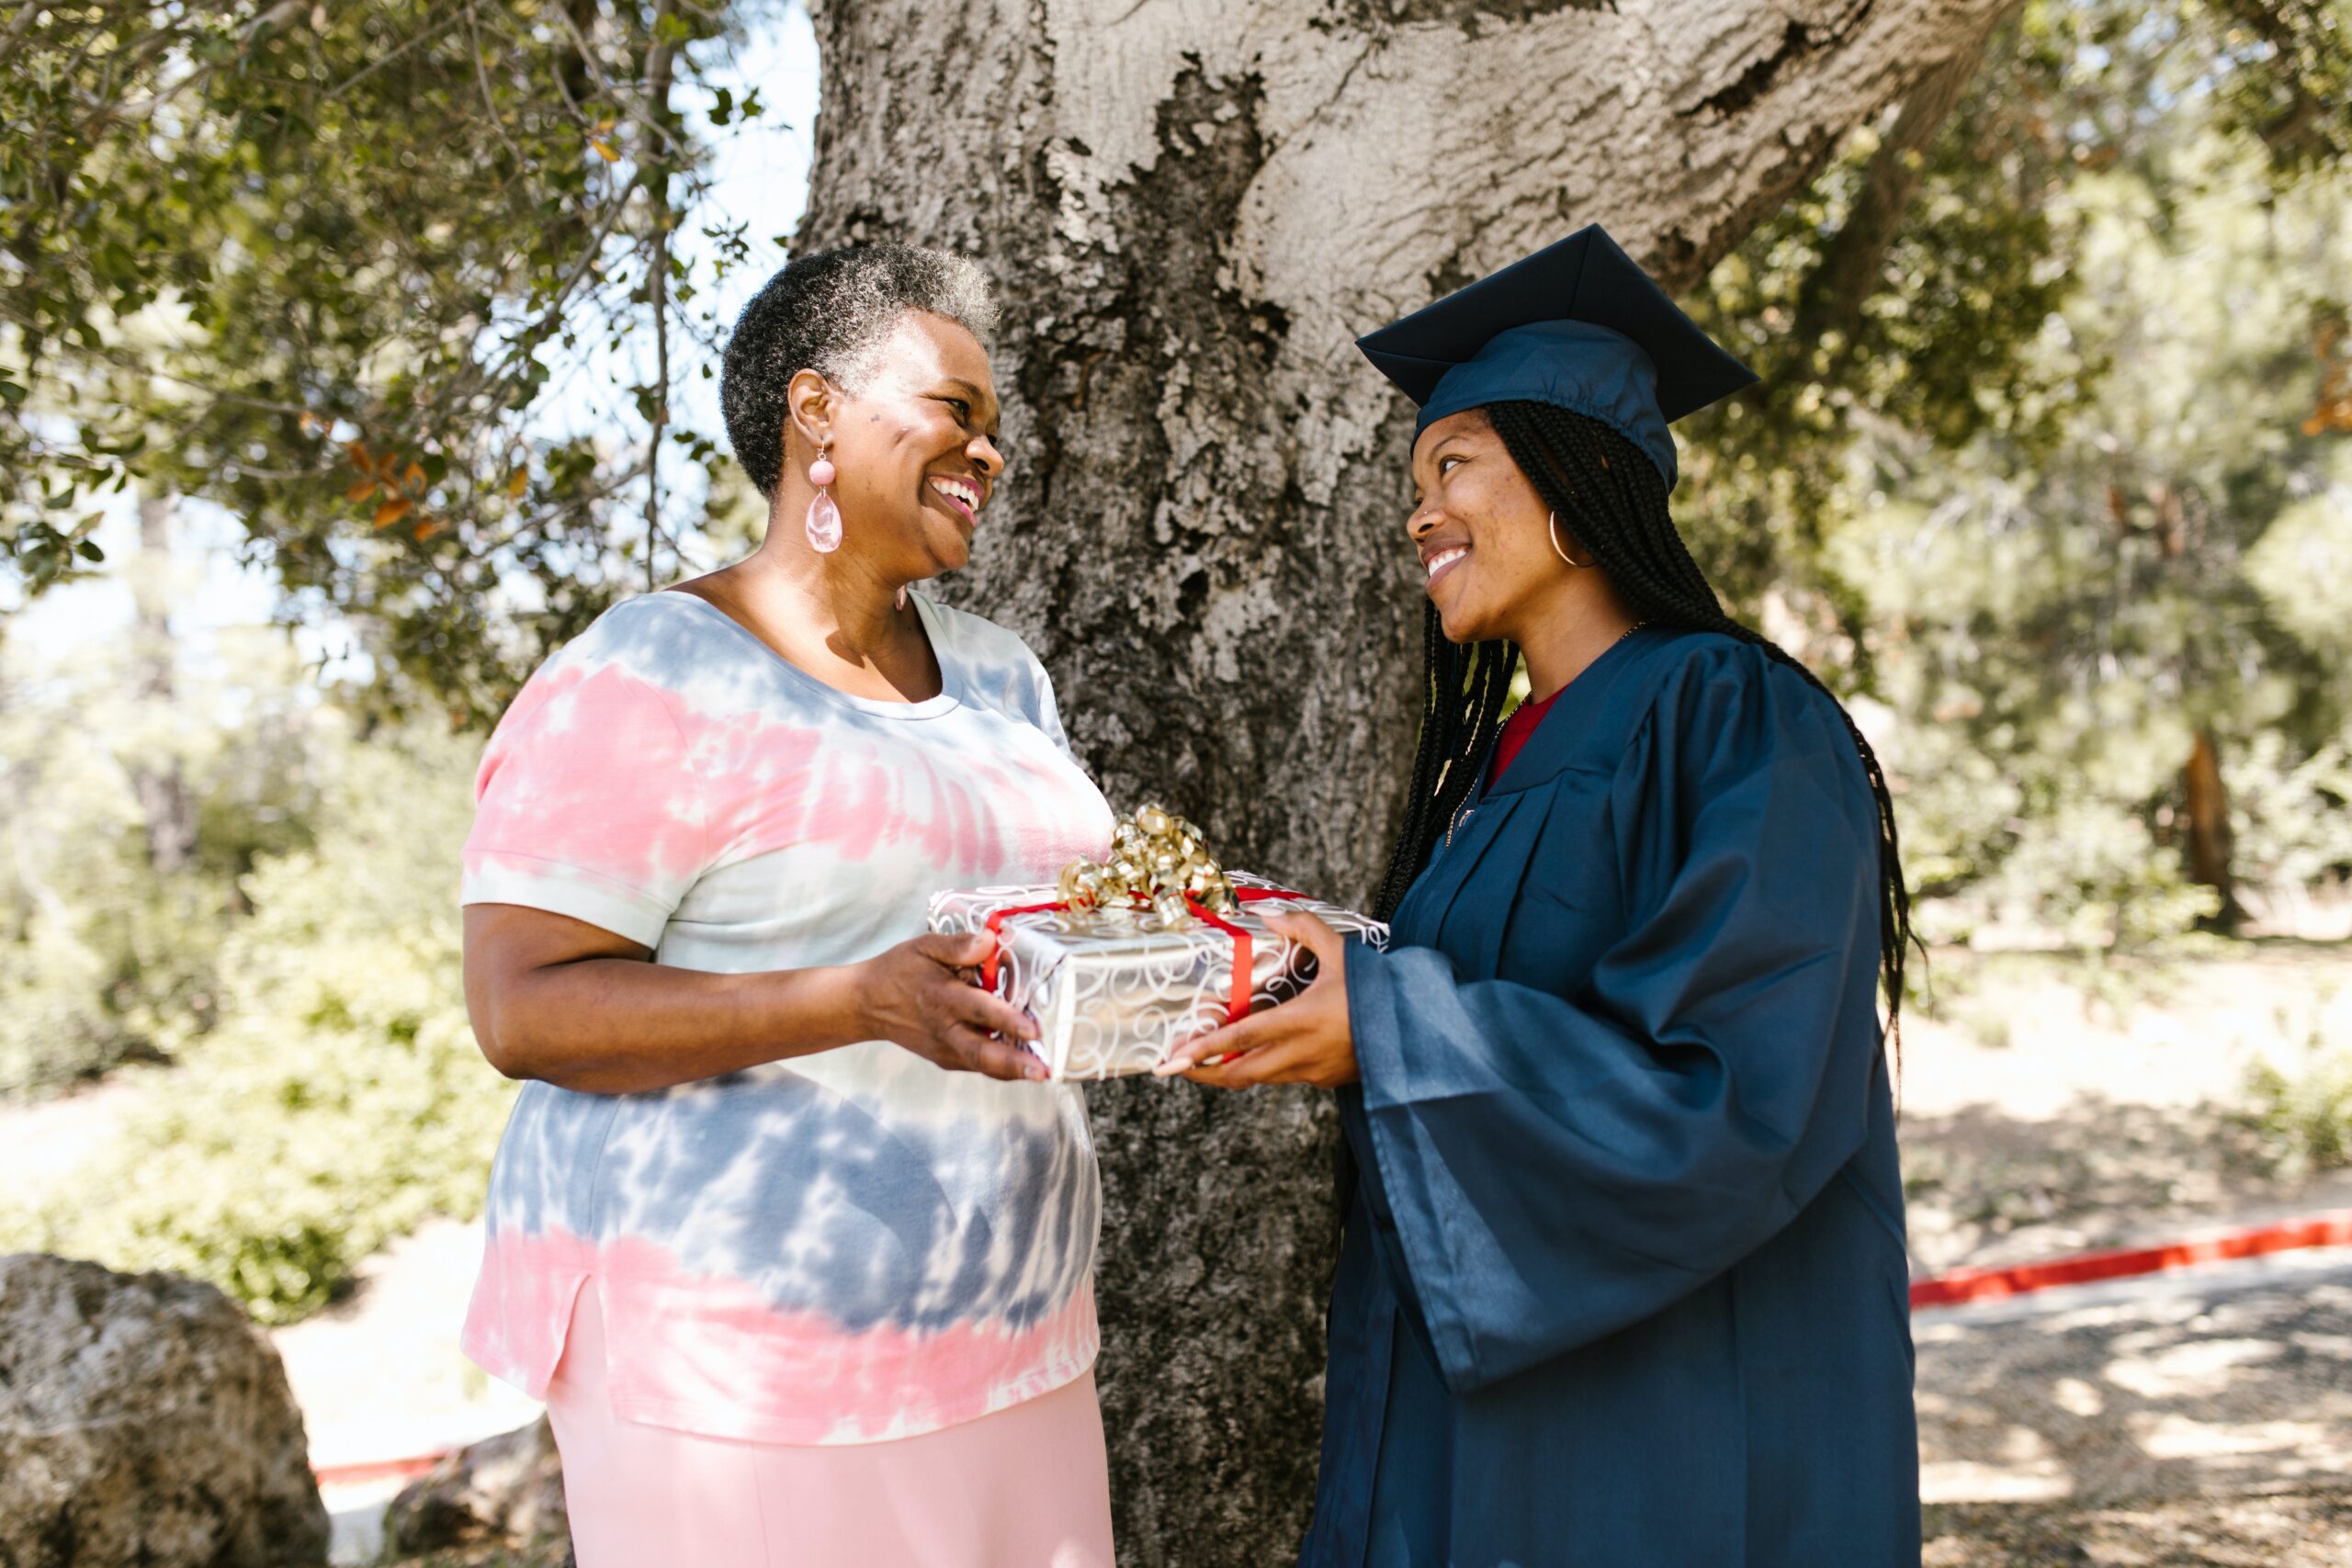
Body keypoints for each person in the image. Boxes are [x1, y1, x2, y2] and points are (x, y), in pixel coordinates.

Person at [1162, 226, 1921, 1566]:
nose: (1419, 510)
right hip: (1488, 1404)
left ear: (1577, 472)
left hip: (1664, 1414)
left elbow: (1742, 1094)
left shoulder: (1734, 719)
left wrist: (1385, 1028)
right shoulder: (1496, 766)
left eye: (1453, 463)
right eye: (1415, 478)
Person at [458, 243, 1116, 1567]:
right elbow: (522, 1008)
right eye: (956, 411)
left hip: (1019, 1338)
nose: (989, 453)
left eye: (997, 427)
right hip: (735, 1374)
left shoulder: (1002, 679)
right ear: (817, 411)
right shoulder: (649, 673)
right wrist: (852, 1002)